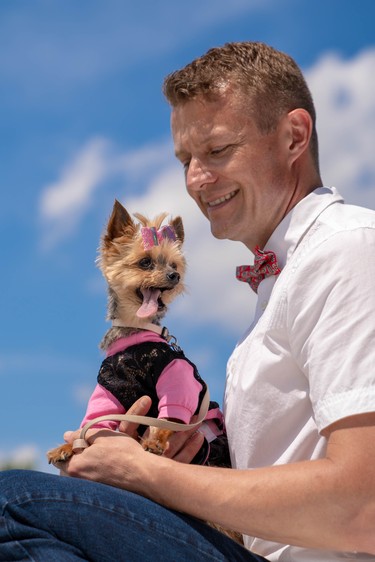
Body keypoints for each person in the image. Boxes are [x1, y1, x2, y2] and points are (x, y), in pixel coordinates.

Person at [1, 41, 375, 562]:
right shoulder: (280, 283)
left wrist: (147, 472)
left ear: (295, 136)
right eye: (186, 159)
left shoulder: (346, 249)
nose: (196, 179)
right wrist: (183, 451)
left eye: (218, 150)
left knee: (13, 502)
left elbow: (364, 506)